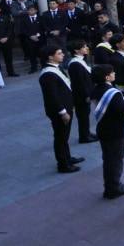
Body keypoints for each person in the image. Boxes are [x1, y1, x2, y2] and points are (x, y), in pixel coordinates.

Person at [38, 45, 84, 173]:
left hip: (66, 107)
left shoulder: (57, 68)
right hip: (59, 111)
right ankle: (63, 164)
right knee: (61, 137)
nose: (62, 55)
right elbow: (52, 97)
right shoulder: (48, 74)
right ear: (50, 57)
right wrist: (63, 112)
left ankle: (67, 158)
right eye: (59, 53)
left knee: (64, 136)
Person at [90, 65, 124, 199]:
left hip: (103, 128)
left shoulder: (95, 89)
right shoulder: (113, 93)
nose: (114, 73)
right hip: (116, 131)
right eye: (112, 72)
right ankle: (113, 187)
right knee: (116, 160)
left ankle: (109, 185)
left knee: (107, 159)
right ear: (107, 77)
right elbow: (122, 113)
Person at [67, 39, 98, 143]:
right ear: (76, 50)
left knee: (86, 113)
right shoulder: (75, 64)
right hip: (80, 95)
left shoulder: (80, 60)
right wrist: (86, 95)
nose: (87, 48)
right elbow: (79, 82)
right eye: (84, 47)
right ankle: (84, 136)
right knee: (83, 115)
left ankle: (87, 132)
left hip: (85, 92)